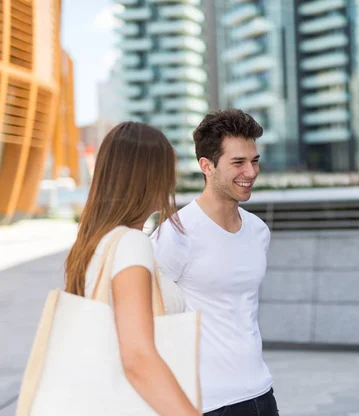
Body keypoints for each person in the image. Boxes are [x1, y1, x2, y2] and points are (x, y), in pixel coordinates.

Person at [64, 122, 198, 415]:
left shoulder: (94, 242)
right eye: (167, 170)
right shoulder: (130, 244)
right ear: (147, 177)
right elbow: (138, 357)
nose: (172, 181)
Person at [151, 109, 279, 416]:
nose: (251, 171)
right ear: (206, 166)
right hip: (206, 403)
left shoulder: (258, 231)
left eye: (255, 160)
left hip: (261, 393)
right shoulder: (176, 233)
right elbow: (148, 319)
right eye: (238, 162)